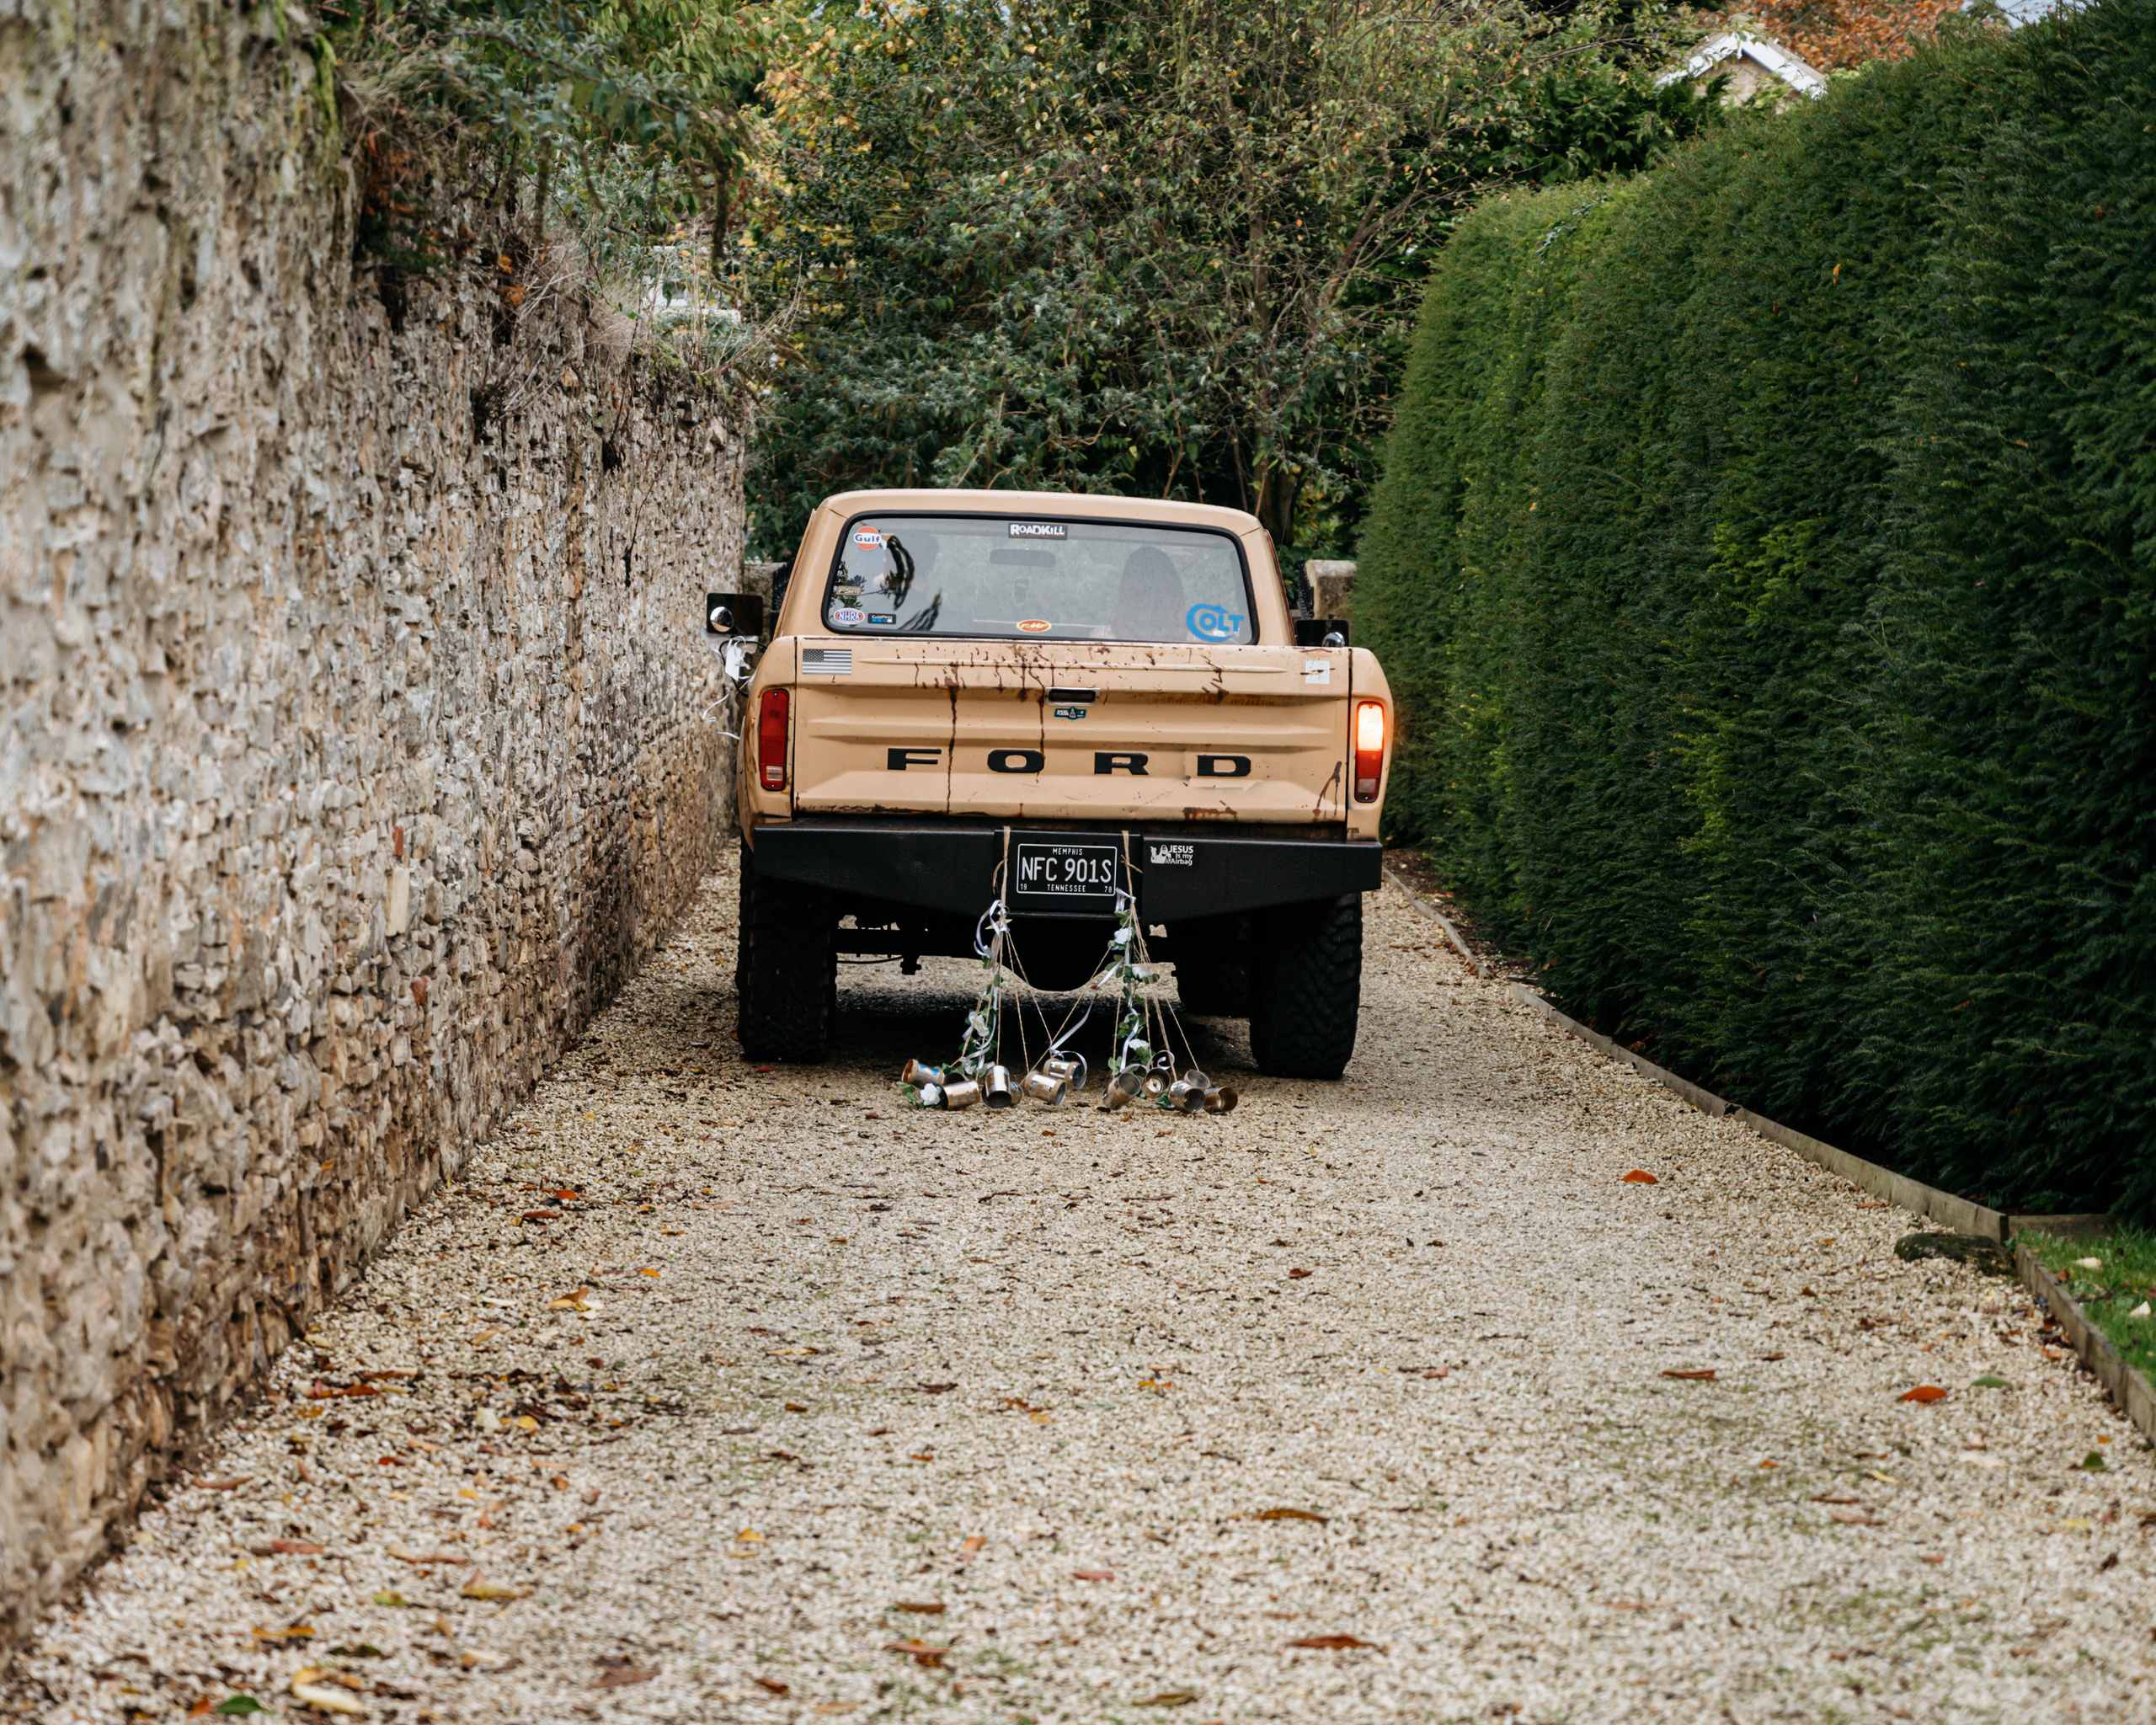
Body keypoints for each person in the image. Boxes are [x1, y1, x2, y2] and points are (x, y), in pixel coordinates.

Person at [1111, 545, 1187, 641]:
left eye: (1158, 592)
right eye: (1141, 593)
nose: (1151, 600)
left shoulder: (1100, 640)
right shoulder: (1198, 642)